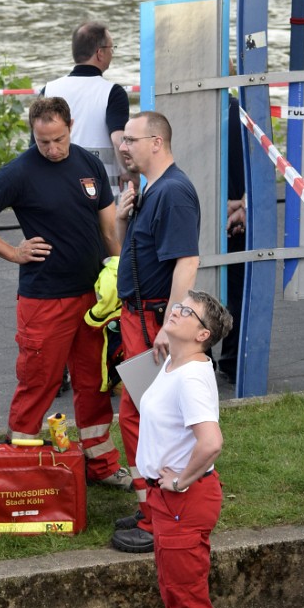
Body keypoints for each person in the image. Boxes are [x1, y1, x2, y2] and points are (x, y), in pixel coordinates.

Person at [0, 96, 132, 490]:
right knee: (39, 381)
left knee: (95, 382)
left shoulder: (87, 162)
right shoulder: (19, 171)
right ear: (32, 135)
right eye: (43, 141)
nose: (52, 149)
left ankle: (100, 463)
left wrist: (120, 274)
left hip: (93, 299)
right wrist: (12, 252)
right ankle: (20, 463)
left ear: (70, 125)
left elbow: (107, 230)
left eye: (59, 139)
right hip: (45, 299)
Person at [112, 111, 201, 553]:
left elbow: (187, 261)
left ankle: (158, 514)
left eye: (131, 139)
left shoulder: (174, 193)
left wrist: (170, 323)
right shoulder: (151, 190)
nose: (123, 146)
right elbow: (138, 254)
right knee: (138, 413)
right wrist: (123, 222)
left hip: (151, 320)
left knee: (146, 416)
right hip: (140, 318)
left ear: (157, 143)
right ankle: (152, 506)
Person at [132, 290, 231, 608]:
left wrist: (179, 481)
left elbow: (211, 442)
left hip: (182, 499)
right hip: (168, 499)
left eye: (188, 311)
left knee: (186, 597)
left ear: (203, 335)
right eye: (178, 306)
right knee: (175, 590)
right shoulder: (174, 364)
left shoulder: (190, 377)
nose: (176, 311)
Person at [40, 22, 129, 193]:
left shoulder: (49, 90)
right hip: (104, 197)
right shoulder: (112, 93)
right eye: (111, 47)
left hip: (58, 190)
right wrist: (128, 172)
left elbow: (35, 146)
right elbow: (119, 140)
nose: (112, 52)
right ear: (100, 53)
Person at [218, 93, 248, 383]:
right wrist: (245, 204)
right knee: (238, 288)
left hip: (213, 209)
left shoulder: (183, 109)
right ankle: (233, 358)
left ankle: (198, 356)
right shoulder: (243, 111)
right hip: (237, 210)